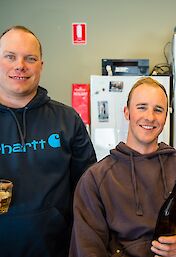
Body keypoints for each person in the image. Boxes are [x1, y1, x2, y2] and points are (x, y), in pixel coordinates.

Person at [69, 77, 176, 257]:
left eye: (158, 110)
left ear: (165, 117)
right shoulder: (96, 179)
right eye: (142, 107)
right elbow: (86, 249)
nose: (150, 117)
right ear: (127, 112)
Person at [0, 25, 96, 257]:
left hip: (57, 248)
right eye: (10, 56)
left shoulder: (67, 119)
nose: (20, 65)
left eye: (30, 58)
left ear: (41, 66)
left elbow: (88, 188)